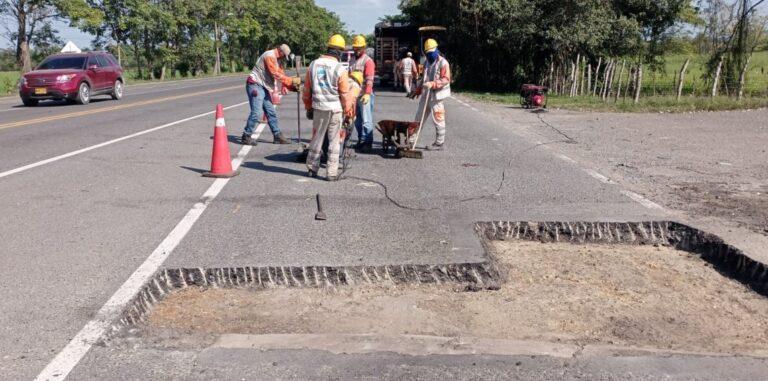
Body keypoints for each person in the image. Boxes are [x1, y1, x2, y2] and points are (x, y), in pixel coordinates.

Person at [303, 34, 356, 181]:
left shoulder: (313, 64)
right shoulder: (340, 69)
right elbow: (345, 94)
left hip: (319, 107)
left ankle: (312, 169)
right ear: (339, 52)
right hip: (335, 109)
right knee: (334, 140)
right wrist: (348, 113)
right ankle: (331, 173)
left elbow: (306, 90)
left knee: (317, 139)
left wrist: (308, 107)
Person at [241, 44, 300, 145]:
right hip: (255, 84)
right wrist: (291, 81)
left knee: (270, 112)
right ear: (280, 52)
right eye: (284, 56)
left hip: (264, 87)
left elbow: (281, 73)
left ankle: (277, 136)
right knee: (257, 113)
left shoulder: (278, 59)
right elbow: (275, 73)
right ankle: (246, 136)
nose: (284, 59)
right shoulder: (269, 55)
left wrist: (287, 86)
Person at [408, 39, 451, 151]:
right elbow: (423, 79)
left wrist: (433, 84)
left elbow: (446, 79)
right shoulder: (426, 62)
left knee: (438, 119)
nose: (429, 55)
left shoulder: (443, 63)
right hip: (425, 95)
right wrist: (417, 91)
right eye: (427, 53)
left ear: (436, 50)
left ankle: (439, 143)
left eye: (431, 52)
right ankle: (411, 141)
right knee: (418, 119)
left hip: (437, 97)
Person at [350, 35, 376, 152]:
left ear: (364, 47)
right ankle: (361, 139)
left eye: (359, 48)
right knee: (357, 119)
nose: (357, 50)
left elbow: (370, 79)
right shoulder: (352, 60)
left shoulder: (368, 61)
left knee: (366, 119)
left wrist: (367, 93)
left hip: (365, 94)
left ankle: (367, 141)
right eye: (355, 48)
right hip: (354, 94)